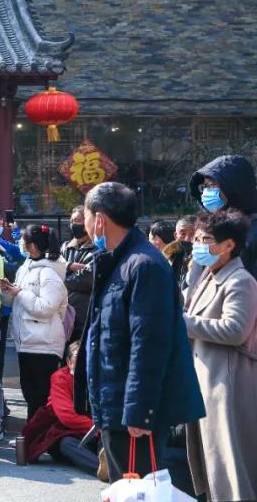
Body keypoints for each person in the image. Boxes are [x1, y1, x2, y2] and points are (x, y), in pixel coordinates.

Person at [74, 181, 205, 482]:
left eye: (86, 216)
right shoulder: (119, 260)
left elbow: (149, 345)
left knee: (138, 490)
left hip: (132, 411)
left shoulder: (144, 265)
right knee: (125, 489)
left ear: (99, 219)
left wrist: (139, 410)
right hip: (115, 401)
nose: (85, 225)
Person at [183, 210, 257, 502]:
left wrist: (183, 322)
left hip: (227, 385)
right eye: (196, 239)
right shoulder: (208, 275)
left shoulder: (240, 281)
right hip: (207, 382)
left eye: (206, 240)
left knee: (231, 467)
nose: (198, 246)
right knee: (214, 465)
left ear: (229, 245)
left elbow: (235, 330)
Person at [2, 223, 68, 419]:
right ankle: (33, 434)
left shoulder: (49, 273)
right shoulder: (25, 268)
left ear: (32, 246)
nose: (21, 246)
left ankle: (39, 434)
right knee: (31, 396)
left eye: (24, 242)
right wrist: (9, 291)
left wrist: (20, 293)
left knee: (40, 397)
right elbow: (16, 300)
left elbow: (46, 308)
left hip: (44, 344)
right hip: (27, 342)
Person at [20, 342, 93, 464]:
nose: (83, 362)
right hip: (65, 431)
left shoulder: (98, 377)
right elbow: (67, 416)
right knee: (67, 444)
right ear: (69, 362)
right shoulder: (60, 378)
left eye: (86, 357)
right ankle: (102, 469)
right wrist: (97, 428)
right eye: (78, 357)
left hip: (93, 431)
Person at [189, 154, 257, 276]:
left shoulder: (253, 233)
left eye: (212, 185)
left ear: (235, 187)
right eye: (204, 186)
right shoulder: (210, 227)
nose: (206, 192)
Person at [62, 205, 96, 343]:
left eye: (77, 221)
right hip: (63, 316)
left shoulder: (98, 249)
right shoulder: (66, 247)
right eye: (72, 221)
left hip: (84, 316)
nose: (73, 225)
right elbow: (54, 268)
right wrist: (69, 266)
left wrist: (63, 277)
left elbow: (86, 279)